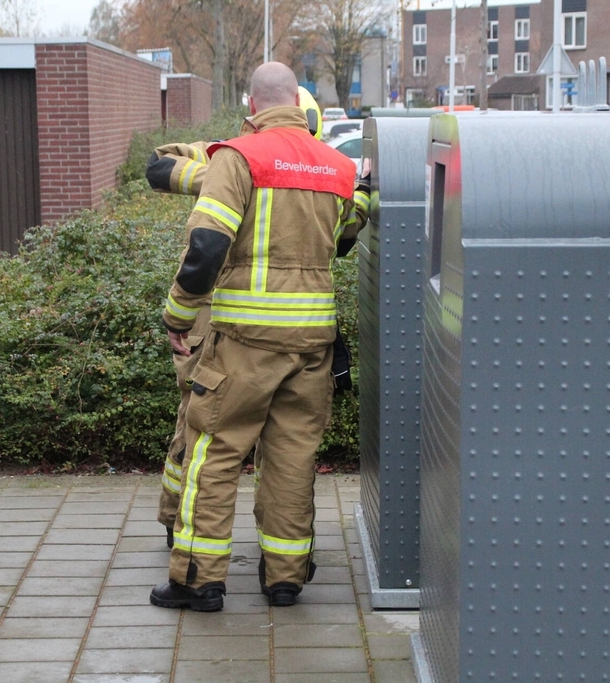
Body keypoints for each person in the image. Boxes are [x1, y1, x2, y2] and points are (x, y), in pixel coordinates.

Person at [149, 62, 369, 612]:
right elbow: (344, 237)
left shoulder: (239, 158)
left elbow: (205, 247)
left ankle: (198, 581)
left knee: (216, 452)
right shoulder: (338, 167)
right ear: (299, 102)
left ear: (252, 105)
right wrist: (364, 195)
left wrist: (178, 318)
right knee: (294, 459)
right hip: (312, 344)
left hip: (245, 342)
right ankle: (285, 578)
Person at [146, 88, 327, 548]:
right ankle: (281, 565)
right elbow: (157, 165)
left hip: (233, 326)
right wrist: (222, 172)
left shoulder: (263, 161)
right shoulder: (242, 158)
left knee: (208, 436)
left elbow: (206, 243)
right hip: (288, 332)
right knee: (284, 453)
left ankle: (195, 558)